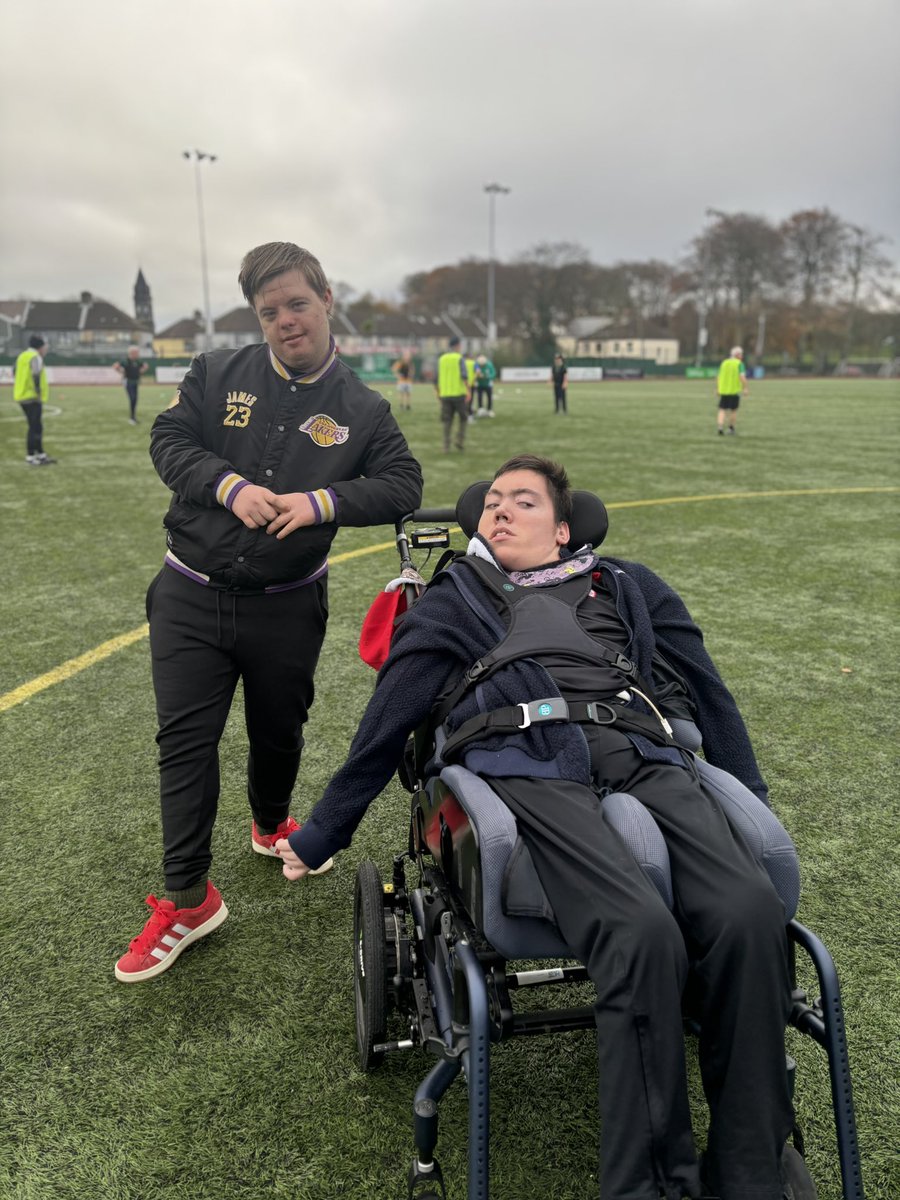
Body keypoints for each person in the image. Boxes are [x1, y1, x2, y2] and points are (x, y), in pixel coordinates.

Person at [278, 454, 796, 1200]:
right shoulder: (456, 597)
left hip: (642, 749)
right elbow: (390, 714)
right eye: (492, 502)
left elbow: (707, 688)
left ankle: (750, 1176)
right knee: (639, 932)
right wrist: (325, 829)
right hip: (525, 760)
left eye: (522, 501)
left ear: (561, 529)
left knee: (749, 915)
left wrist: (749, 793)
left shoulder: (629, 585)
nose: (500, 510)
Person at [114, 241, 424, 984]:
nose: (286, 322)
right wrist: (226, 485)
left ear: (324, 301)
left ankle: (269, 821)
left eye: (297, 304)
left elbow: (403, 484)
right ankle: (188, 897)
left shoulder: (363, 407)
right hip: (189, 592)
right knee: (184, 743)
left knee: (278, 731)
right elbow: (168, 439)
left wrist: (321, 502)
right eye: (269, 312)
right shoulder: (217, 372)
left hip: (286, 607)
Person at [14, 335, 56, 466]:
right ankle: (31, 456)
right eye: (45, 347)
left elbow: (14, 371)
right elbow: (36, 375)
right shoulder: (35, 357)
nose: (46, 349)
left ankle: (41, 455)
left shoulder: (22, 356)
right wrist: (38, 392)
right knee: (35, 427)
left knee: (37, 426)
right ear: (40, 347)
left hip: (22, 395)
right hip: (32, 397)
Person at [434, 336, 470, 453]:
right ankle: (459, 440)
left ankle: (446, 446)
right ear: (457, 346)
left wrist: (438, 392)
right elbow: (464, 376)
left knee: (447, 420)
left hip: (445, 394)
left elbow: (437, 377)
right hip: (458, 394)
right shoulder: (459, 358)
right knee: (463, 418)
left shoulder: (441, 359)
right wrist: (468, 390)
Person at [716, 346, 748, 434]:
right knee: (733, 410)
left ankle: (720, 427)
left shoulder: (724, 363)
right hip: (734, 391)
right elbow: (742, 377)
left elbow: (718, 377)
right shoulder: (739, 364)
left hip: (724, 391)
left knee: (722, 409)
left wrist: (718, 388)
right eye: (741, 354)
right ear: (737, 355)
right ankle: (731, 428)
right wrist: (745, 388)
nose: (742, 356)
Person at [114, 345, 149, 424]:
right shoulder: (125, 361)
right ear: (131, 353)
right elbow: (116, 366)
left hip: (135, 382)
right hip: (128, 382)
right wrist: (121, 372)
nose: (137, 354)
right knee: (132, 398)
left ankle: (133, 417)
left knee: (135, 399)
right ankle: (132, 418)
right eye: (136, 353)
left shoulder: (138, 361)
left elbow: (145, 366)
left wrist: (141, 371)